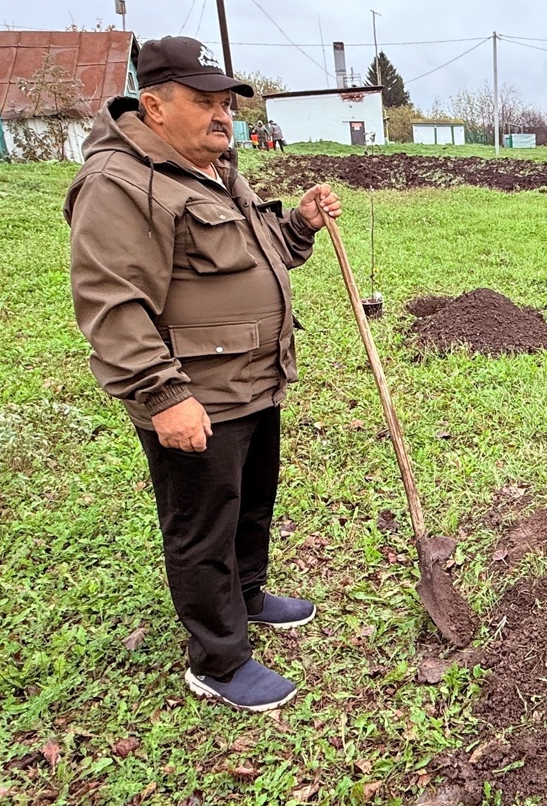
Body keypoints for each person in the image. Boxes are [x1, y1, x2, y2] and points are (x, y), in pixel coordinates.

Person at [63, 36, 342, 713]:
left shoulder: (216, 171)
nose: (222, 116)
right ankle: (217, 658)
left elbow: (254, 251)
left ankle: (246, 597)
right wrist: (164, 396)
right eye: (203, 102)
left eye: (226, 103)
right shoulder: (122, 183)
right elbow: (110, 299)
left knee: (249, 503)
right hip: (196, 396)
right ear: (154, 106)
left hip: (253, 382)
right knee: (202, 524)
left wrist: (299, 225)